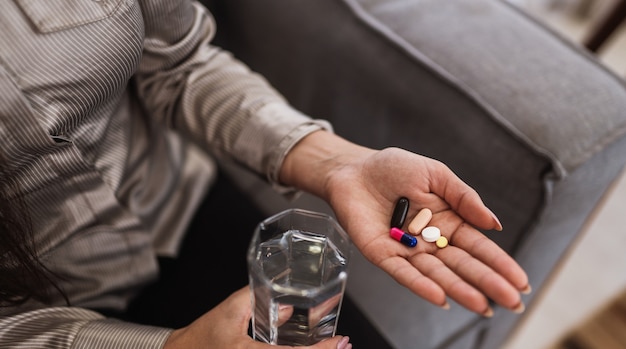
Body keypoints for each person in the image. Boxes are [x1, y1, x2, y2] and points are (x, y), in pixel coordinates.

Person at [0, 1, 529, 348]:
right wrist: (175, 346)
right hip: (45, 314)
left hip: (183, 204)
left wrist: (338, 161)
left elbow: (180, 67)